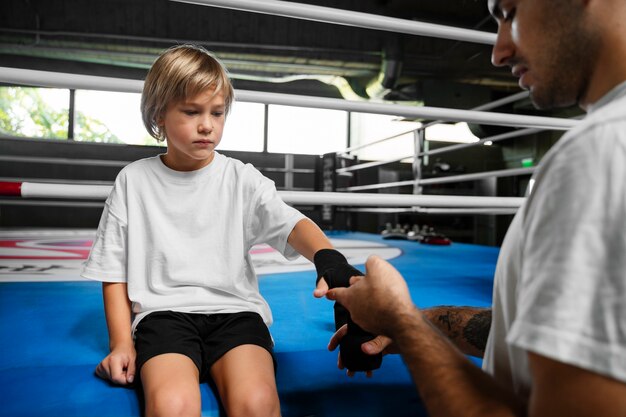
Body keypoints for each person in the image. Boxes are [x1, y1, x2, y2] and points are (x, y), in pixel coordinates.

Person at [324, 0, 626, 415]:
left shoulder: (600, 152)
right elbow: (515, 333)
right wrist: (412, 321)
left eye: (509, 12)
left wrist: (402, 323)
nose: (498, 52)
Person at [81, 44, 362, 417]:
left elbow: (291, 222)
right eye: (192, 111)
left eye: (217, 112)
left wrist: (329, 258)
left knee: (258, 404)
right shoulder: (133, 180)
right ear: (158, 114)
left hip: (236, 313)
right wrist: (121, 344)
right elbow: (113, 271)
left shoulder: (241, 178)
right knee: (171, 406)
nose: (207, 125)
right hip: (164, 315)